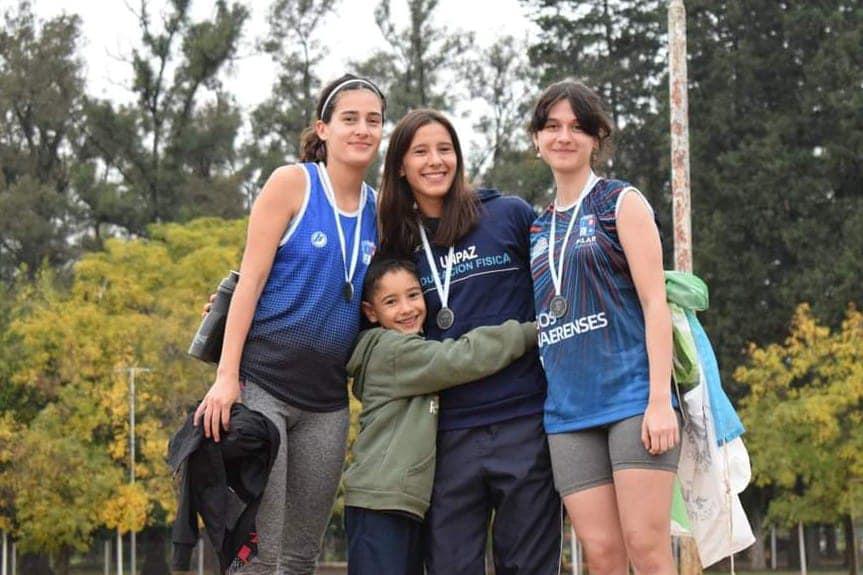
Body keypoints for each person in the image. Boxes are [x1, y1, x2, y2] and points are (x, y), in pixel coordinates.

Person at [193, 73, 385, 575]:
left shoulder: (380, 209)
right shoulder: (293, 183)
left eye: (373, 120)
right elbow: (250, 282)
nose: (362, 129)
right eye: (349, 119)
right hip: (263, 387)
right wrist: (226, 377)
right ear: (323, 128)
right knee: (259, 554)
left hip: (326, 404)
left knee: (300, 557)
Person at [377, 109, 561, 575]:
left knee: (529, 566)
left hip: (524, 420)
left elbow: (563, 276)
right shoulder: (396, 244)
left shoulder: (508, 214)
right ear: (400, 167)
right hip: (445, 433)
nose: (435, 161)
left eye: (445, 149)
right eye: (420, 152)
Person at [528, 79, 680, 575]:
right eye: (552, 127)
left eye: (577, 127)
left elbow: (655, 303)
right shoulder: (537, 227)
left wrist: (659, 400)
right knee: (602, 554)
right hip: (568, 414)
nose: (563, 137)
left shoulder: (620, 201)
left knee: (646, 547)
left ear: (596, 138)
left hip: (633, 401)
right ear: (536, 139)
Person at [342, 255, 537, 575]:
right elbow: (462, 357)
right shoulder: (392, 351)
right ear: (371, 312)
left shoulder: (407, 347)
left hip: (399, 502)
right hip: (380, 503)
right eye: (391, 302)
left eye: (413, 295)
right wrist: (531, 331)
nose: (406, 309)